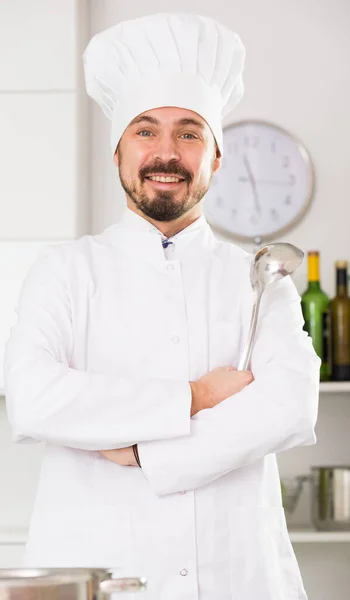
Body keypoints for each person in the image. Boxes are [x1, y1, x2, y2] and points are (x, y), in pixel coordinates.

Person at [4, 13, 320, 600]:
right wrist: (196, 398)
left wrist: (144, 454)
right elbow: (32, 397)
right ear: (118, 151)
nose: (166, 152)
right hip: (98, 570)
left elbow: (291, 404)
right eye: (145, 131)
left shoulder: (260, 278)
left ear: (217, 156)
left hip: (238, 574)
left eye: (190, 132)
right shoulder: (66, 271)